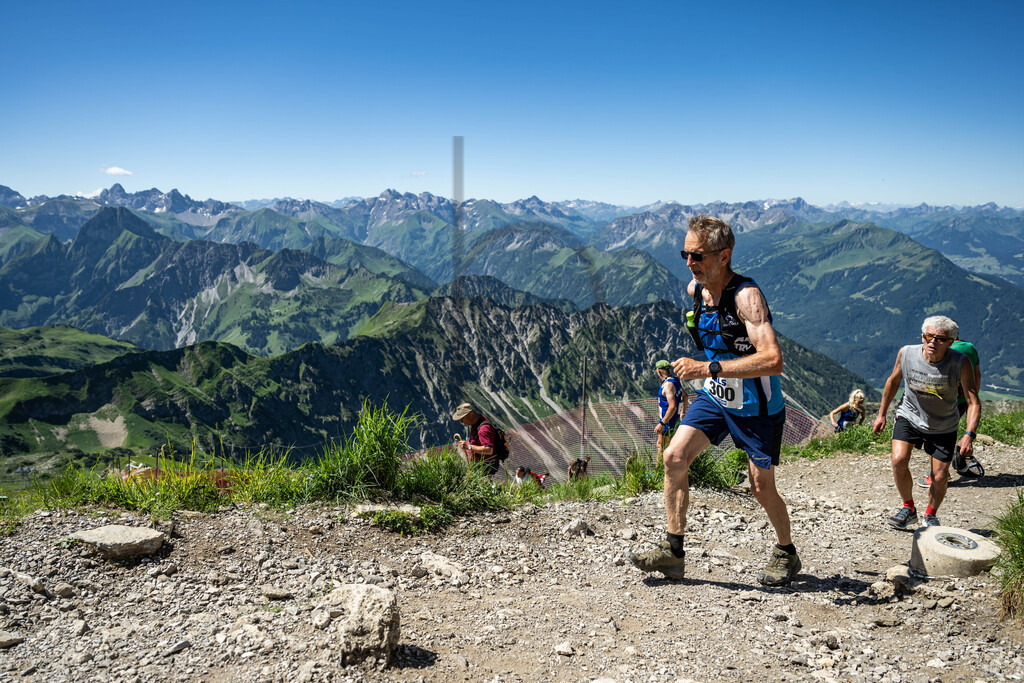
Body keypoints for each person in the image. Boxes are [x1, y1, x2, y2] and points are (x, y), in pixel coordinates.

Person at [627, 214, 799, 586]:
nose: (690, 264)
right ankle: (673, 553)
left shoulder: (746, 296)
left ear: (724, 256)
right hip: (717, 395)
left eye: (698, 256)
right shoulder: (696, 292)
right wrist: (706, 374)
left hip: (757, 405)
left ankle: (786, 551)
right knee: (674, 457)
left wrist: (707, 367)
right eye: (685, 255)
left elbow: (773, 359)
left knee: (760, 487)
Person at [872, 316, 981, 529]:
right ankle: (908, 508)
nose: (932, 342)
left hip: (943, 425)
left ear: (951, 341)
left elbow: (973, 401)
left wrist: (969, 435)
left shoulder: (960, 362)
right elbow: (893, 381)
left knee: (939, 477)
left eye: (940, 338)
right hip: (909, 415)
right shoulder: (906, 353)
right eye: (928, 336)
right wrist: (881, 414)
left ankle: (930, 514)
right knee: (898, 460)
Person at [916, 337, 985, 487]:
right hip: (963, 400)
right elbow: (977, 374)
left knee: (934, 435)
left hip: (945, 400)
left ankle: (939, 474)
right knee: (946, 434)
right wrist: (972, 399)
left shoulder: (946, 351)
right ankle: (942, 471)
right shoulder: (970, 348)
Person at [654, 359, 689, 465]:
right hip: (673, 419)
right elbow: (685, 396)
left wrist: (662, 423)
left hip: (668, 421)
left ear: (659, 371)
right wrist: (683, 411)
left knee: (661, 446)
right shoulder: (675, 381)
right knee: (666, 445)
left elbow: (672, 407)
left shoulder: (668, 386)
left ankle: (659, 471)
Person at [452, 402, 499, 475]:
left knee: (484, 484)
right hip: (479, 464)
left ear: (468, 415)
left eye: (462, 419)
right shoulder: (477, 422)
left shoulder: (483, 429)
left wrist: (468, 447)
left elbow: (489, 450)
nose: (462, 422)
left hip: (484, 466)